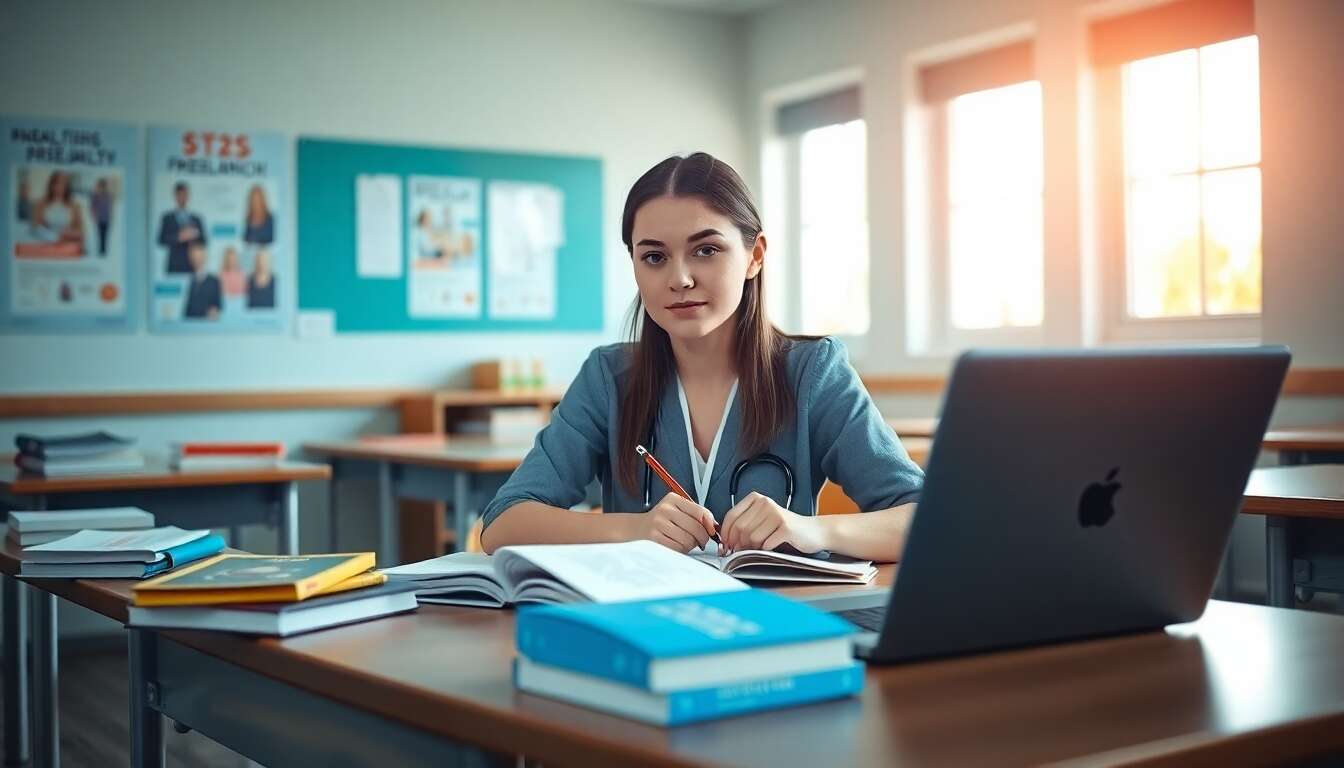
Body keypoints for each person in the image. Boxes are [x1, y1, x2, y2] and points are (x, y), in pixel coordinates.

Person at [480, 153, 923, 562]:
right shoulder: (610, 378)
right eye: (654, 257)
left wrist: (812, 531)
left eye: (706, 250)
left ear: (755, 256)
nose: (680, 278)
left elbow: (922, 517)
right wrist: (630, 529)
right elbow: (502, 523)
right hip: (646, 630)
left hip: (779, 628)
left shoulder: (812, 372)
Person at [157, 182, 206, 274]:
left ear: (188, 196)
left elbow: (204, 241)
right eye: (180, 195)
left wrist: (194, 235)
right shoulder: (167, 218)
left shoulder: (196, 219)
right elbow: (161, 240)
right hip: (175, 263)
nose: (183, 197)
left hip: (193, 263)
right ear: (175, 196)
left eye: (185, 194)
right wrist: (179, 237)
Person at [30, 171, 86, 250]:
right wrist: (55, 237)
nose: (59, 187)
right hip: (46, 243)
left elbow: (81, 231)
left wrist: (67, 235)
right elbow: (35, 227)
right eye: (56, 183)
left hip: (68, 245)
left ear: (67, 186)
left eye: (63, 184)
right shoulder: (40, 204)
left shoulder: (75, 206)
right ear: (51, 185)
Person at [182, 243, 222, 319]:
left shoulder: (214, 281)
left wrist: (214, 312)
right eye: (195, 257)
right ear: (191, 258)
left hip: (206, 324)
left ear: (205, 257)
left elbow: (218, 305)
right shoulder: (185, 279)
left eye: (200, 257)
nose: (198, 260)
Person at [90, 178, 112, 256]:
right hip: (99, 219)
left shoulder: (108, 196)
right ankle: (100, 250)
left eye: (103, 186)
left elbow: (110, 207)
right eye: (101, 186)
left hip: (106, 219)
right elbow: (92, 207)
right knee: (100, 235)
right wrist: (94, 216)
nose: (102, 188)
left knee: (105, 235)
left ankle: (104, 250)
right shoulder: (95, 196)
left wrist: (111, 217)